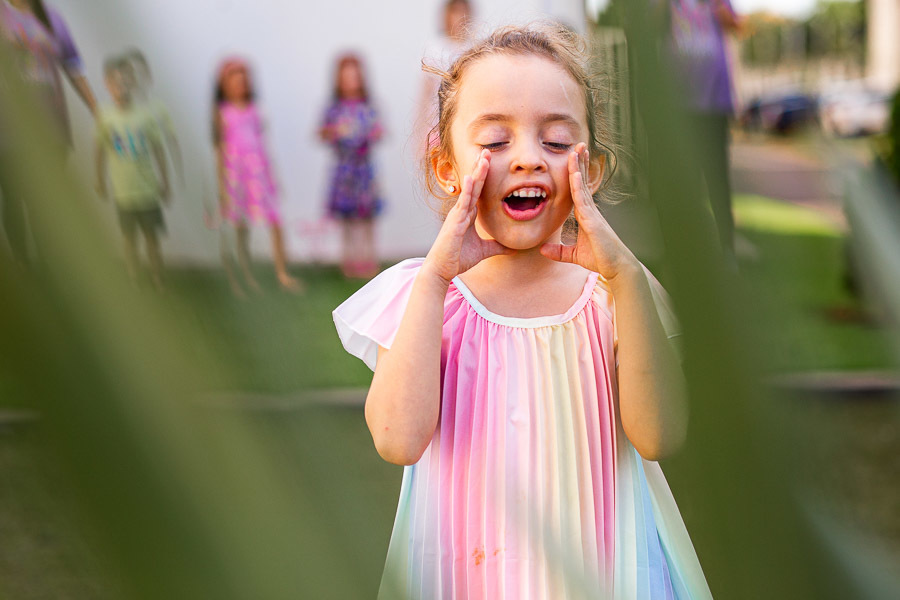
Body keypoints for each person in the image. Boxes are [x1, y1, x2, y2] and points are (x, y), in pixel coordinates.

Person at [333, 24, 712, 599]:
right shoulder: (425, 298)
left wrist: (627, 279)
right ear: (446, 167)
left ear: (592, 170)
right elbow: (397, 439)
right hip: (467, 577)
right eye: (494, 141)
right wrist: (436, 278)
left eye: (557, 143)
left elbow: (660, 435)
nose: (530, 159)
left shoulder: (617, 296)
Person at [0, 0, 96, 264]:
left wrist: (96, 109)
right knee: (15, 200)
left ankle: (50, 267)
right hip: (8, 131)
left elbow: (73, 65)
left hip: (52, 129)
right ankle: (24, 266)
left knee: (47, 207)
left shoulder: (52, 18)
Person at [213, 57, 300, 293]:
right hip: (236, 176)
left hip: (258, 173)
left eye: (244, 80)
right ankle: (244, 275)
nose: (240, 85)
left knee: (275, 220)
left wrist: (273, 177)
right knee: (241, 227)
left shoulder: (255, 111)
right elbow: (219, 150)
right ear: (224, 85)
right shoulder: (223, 113)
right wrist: (222, 185)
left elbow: (263, 144)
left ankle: (282, 273)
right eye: (234, 81)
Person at [667, 0, 741, 256]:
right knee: (688, 178)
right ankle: (692, 249)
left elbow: (736, 25)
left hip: (714, 101)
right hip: (680, 102)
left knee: (718, 179)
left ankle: (727, 248)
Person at [94, 57, 170, 290]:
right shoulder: (105, 117)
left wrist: (165, 182)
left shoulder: (145, 116)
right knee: (129, 240)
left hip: (147, 191)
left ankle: (157, 278)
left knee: (152, 238)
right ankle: (133, 278)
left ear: (134, 83)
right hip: (123, 193)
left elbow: (158, 149)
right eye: (116, 81)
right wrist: (99, 179)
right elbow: (100, 150)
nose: (122, 85)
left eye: (127, 80)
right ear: (107, 84)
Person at [319, 53, 384, 279]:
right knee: (346, 217)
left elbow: (379, 130)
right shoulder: (334, 108)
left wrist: (374, 132)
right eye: (346, 77)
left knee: (367, 216)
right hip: (344, 170)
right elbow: (322, 133)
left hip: (364, 169)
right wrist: (335, 131)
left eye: (355, 77)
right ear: (338, 80)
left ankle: (369, 258)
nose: (351, 82)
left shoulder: (368, 106)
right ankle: (348, 259)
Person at [121, 48, 184, 186]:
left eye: (140, 72)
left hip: (158, 181)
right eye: (130, 73)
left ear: (149, 75)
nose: (135, 78)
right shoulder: (118, 112)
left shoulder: (159, 110)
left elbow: (172, 144)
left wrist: (179, 178)